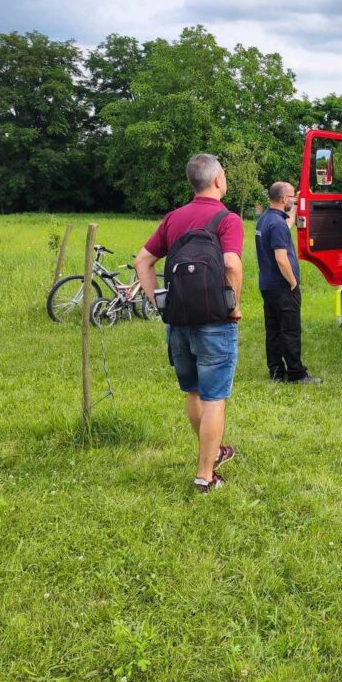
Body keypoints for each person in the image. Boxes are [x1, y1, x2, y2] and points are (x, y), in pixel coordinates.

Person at [134, 153, 243, 494]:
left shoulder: (173, 219)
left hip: (178, 321)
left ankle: (211, 454)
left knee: (193, 391)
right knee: (214, 399)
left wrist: (158, 302)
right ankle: (204, 475)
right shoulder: (228, 219)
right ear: (218, 180)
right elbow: (232, 265)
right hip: (215, 321)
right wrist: (234, 305)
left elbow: (143, 261)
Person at [256, 181, 320, 385]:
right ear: (283, 199)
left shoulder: (266, 220)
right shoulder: (276, 224)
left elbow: (287, 224)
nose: (293, 200)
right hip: (283, 287)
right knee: (290, 330)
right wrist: (292, 281)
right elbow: (281, 258)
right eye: (292, 197)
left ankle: (276, 371)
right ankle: (296, 374)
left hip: (268, 286)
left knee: (273, 330)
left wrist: (299, 200)